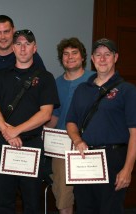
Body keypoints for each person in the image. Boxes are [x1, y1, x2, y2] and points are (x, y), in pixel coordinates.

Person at [0, 14, 46, 207]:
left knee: (30, 191)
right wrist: (7, 131)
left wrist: (17, 130)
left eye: (7, 31)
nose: (3, 36)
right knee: (1, 187)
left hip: (28, 135)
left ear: (13, 32)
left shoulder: (34, 59)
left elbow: (41, 100)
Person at [66, 38, 136, 214]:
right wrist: (78, 141)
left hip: (113, 159)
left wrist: (127, 169)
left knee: (110, 209)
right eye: (98, 55)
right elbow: (70, 122)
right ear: (92, 59)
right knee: (84, 208)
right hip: (85, 158)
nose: (102, 59)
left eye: (107, 55)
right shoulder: (82, 89)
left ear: (115, 57)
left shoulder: (128, 90)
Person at [0, 29, 60, 214]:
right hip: (5, 144)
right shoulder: (1, 75)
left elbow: (46, 114)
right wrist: (7, 132)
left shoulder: (45, 77)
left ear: (34, 48)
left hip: (32, 145)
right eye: (18, 44)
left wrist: (16, 130)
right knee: (4, 201)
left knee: (32, 202)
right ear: (12, 48)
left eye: (27, 44)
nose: (22, 48)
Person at [45, 37, 94, 214]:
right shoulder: (56, 83)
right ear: (61, 58)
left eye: (74, 53)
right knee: (63, 194)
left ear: (82, 57)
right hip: (62, 146)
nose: (70, 57)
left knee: (90, 193)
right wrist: (41, 134)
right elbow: (55, 117)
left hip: (90, 143)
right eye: (65, 54)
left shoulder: (95, 80)